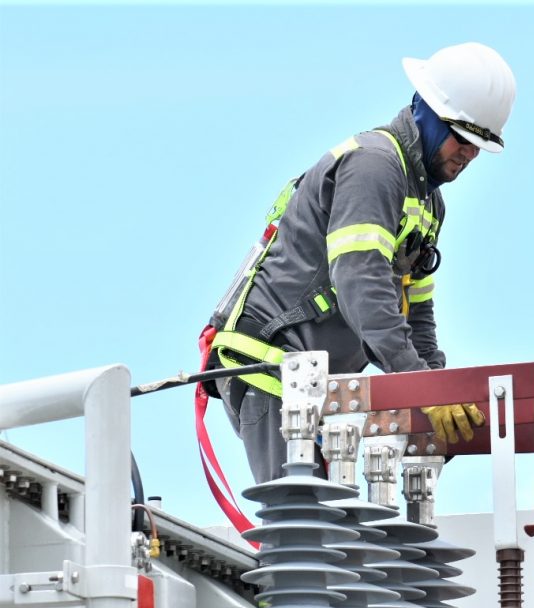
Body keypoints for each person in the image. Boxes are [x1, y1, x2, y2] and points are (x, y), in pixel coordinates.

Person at [206, 42, 517, 484]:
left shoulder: (429, 204)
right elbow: (360, 282)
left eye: (480, 145)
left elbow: (417, 314)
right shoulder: (374, 166)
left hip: (314, 386)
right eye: (462, 137)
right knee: (298, 516)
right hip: (272, 367)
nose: (469, 153)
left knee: (329, 519)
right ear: (422, 108)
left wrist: (436, 386)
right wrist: (419, 386)